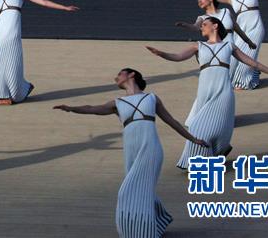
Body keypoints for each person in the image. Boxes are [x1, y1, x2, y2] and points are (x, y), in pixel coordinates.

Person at [54, 69, 207, 237]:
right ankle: (158, 220)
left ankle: (141, 232)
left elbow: (172, 121)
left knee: (127, 191)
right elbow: (93, 108)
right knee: (141, 190)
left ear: (131, 75)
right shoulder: (117, 103)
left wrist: (193, 139)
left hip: (150, 148)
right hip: (131, 151)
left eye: (119, 74)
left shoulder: (151, 98)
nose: (115, 78)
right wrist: (71, 108)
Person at [146, 17, 268, 169]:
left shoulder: (229, 46)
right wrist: (161, 54)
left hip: (224, 92)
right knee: (196, 125)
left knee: (212, 126)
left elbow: (252, 62)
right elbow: (177, 57)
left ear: (215, 26)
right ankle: (213, 153)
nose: (201, 27)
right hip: (204, 92)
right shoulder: (198, 46)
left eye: (204, 24)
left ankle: (213, 153)